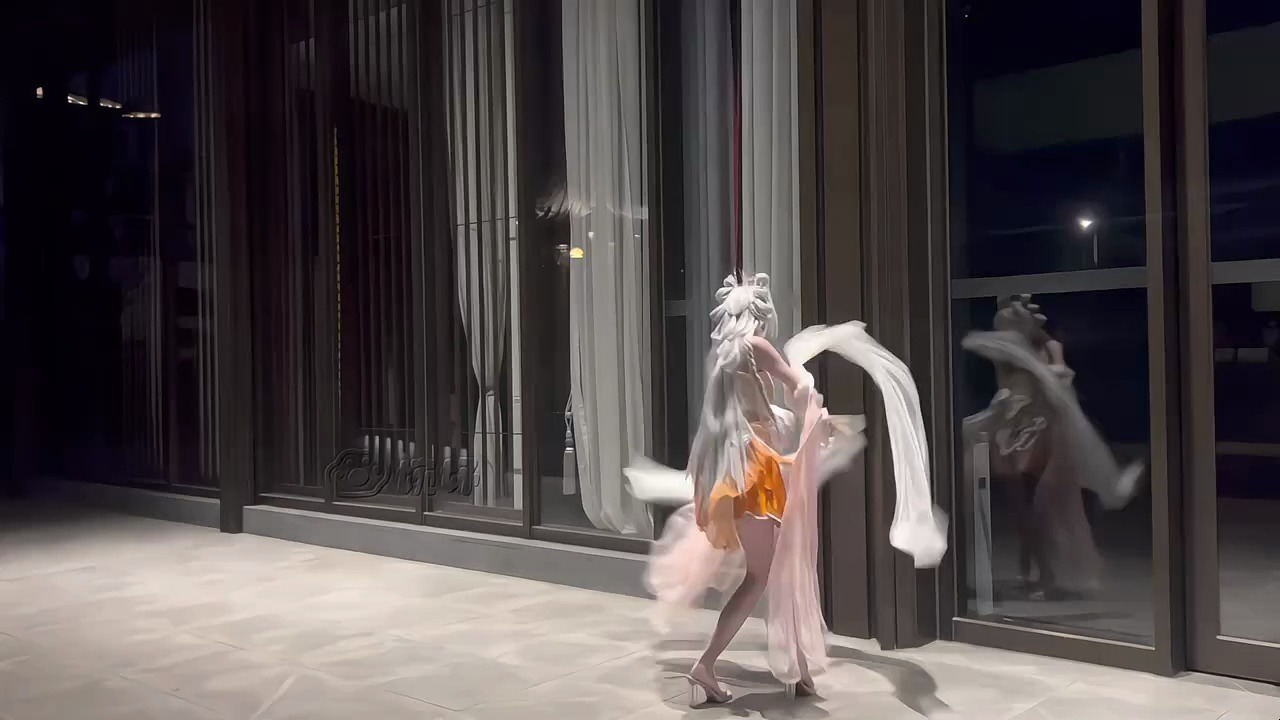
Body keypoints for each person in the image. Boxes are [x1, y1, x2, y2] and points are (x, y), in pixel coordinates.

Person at [625, 273, 948, 706]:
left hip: (742, 469)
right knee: (762, 576)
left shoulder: (725, 357)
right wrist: (814, 406)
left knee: (780, 569)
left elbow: (756, 411)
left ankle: (798, 672)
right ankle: (708, 664)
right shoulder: (755, 347)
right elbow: (797, 386)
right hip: (755, 473)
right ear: (760, 315)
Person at [961, 295, 1142, 598]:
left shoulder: (1047, 347)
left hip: (1046, 429)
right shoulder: (1008, 350)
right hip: (1015, 430)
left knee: (1046, 504)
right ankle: (1034, 569)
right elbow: (999, 371)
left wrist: (1044, 370)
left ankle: (1047, 572)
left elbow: (1058, 382)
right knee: (1021, 506)